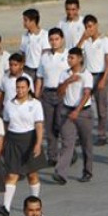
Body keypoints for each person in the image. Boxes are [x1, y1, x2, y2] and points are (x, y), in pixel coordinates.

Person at [0, 77, 45, 216]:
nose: (20, 90)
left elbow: (39, 125)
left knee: (32, 174)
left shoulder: (35, 104)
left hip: (29, 140)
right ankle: (6, 207)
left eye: (23, 87)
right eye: (18, 87)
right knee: (12, 174)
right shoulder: (9, 104)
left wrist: (37, 144)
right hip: (13, 140)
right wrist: (3, 142)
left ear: (28, 88)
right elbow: (6, 124)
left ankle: (35, 201)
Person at [53, 48, 95, 183]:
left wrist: (77, 110)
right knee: (66, 143)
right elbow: (59, 93)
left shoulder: (86, 74)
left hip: (83, 112)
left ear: (79, 59)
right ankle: (61, 173)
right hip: (67, 110)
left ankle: (87, 171)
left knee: (86, 142)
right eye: (68, 58)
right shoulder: (64, 74)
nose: (69, 60)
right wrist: (67, 82)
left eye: (72, 58)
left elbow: (87, 94)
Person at [78, 15, 108, 146]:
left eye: (91, 26)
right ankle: (81, 134)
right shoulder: (86, 41)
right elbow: (76, 53)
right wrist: (83, 38)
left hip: (100, 75)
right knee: (83, 105)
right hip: (87, 75)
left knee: (101, 107)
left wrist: (104, 78)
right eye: (86, 27)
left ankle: (102, 134)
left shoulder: (105, 41)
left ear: (96, 25)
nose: (89, 29)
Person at [37, 28, 69, 165]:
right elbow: (39, 77)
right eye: (51, 39)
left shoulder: (68, 55)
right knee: (49, 127)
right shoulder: (44, 57)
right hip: (48, 94)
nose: (54, 42)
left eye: (56, 39)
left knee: (60, 125)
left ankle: (68, 152)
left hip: (63, 93)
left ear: (62, 39)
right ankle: (52, 155)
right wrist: (37, 95)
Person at [19, 8, 49, 79]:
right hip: (27, 69)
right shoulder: (25, 36)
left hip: (40, 69)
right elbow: (23, 54)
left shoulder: (44, 35)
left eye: (25, 20)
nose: (23, 23)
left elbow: (46, 53)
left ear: (33, 21)